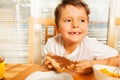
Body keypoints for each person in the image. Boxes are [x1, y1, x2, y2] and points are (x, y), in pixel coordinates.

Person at [43, 0, 120, 74]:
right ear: (57, 28)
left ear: (87, 27)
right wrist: (48, 65)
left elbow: (118, 58)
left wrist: (92, 64)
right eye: (68, 20)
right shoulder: (51, 44)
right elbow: (43, 69)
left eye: (82, 20)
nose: (75, 25)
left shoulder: (91, 45)